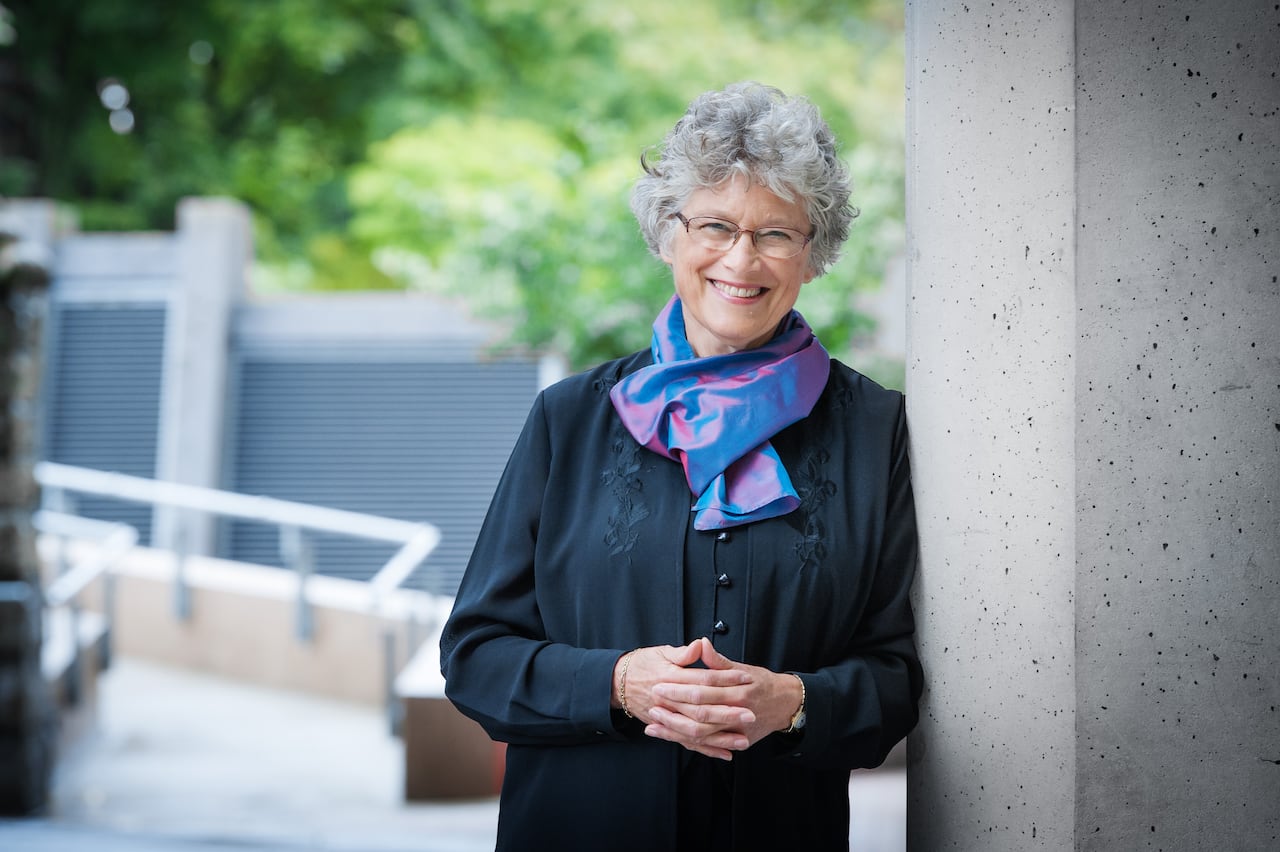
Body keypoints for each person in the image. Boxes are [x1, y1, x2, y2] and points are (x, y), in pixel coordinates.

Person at [439, 81, 922, 851]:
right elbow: (474, 656)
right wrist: (617, 684)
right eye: (716, 225)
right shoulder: (569, 418)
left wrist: (795, 701)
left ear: (813, 253)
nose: (741, 258)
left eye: (776, 234)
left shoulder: (875, 428)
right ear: (669, 233)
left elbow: (898, 675)